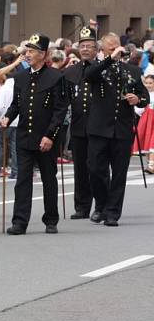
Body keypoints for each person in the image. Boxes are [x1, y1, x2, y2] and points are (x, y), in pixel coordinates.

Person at [0, 34, 68, 235]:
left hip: (46, 137)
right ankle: (20, 221)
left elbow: (60, 110)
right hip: (24, 136)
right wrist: (8, 117)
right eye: (26, 51)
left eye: (31, 51)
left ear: (43, 54)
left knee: (49, 178)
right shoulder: (20, 77)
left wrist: (50, 135)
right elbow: (16, 105)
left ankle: (51, 219)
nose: (27, 55)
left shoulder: (56, 77)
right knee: (22, 180)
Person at [84, 33, 148, 227]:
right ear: (102, 49)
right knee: (95, 170)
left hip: (122, 129)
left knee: (119, 173)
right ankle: (101, 205)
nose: (115, 50)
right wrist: (109, 59)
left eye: (116, 46)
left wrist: (137, 100)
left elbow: (144, 96)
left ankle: (112, 212)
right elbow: (89, 76)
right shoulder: (96, 68)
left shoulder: (132, 71)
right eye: (110, 48)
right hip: (99, 128)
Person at [62, 26, 99, 219]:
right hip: (78, 126)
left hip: (98, 127)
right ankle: (81, 206)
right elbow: (63, 100)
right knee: (80, 169)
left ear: (96, 49)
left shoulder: (103, 68)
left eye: (89, 46)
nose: (85, 49)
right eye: (82, 45)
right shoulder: (70, 72)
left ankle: (100, 206)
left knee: (97, 167)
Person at [133, 75, 154, 173]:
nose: (148, 85)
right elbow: (138, 109)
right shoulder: (143, 94)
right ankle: (150, 162)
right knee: (145, 141)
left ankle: (151, 165)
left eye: (151, 83)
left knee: (152, 142)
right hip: (146, 121)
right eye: (147, 83)